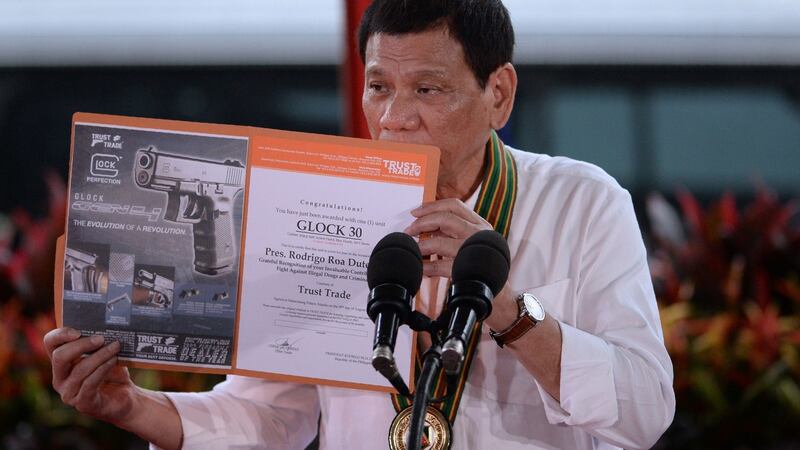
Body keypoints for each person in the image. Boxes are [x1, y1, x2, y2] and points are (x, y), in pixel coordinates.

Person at [44, 1, 675, 449]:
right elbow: (264, 419)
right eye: (379, 86)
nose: (396, 118)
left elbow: (645, 413)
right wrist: (132, 407)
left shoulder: (584, 203)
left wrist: (513, 315)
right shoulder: (316, 205)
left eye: (428, 90)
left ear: (499, 94)